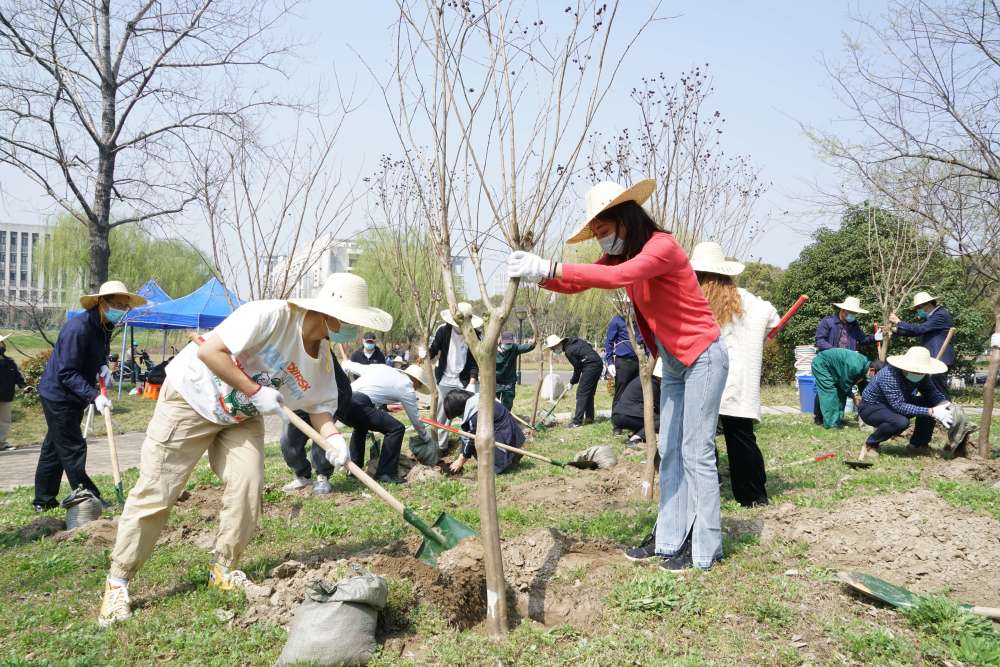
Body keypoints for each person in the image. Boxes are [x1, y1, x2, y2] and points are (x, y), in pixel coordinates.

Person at [98, 273, 391, 627]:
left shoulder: (324, 358)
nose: (356, 333)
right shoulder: (270, 315)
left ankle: (223, 567)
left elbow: (320, 409)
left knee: (248, 484)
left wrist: (335, 440)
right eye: (353, 322)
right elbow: (210, 351)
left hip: (240, 416)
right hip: (193, 397)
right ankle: (118, 582)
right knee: (159, 490)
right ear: (330, 313)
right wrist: (254, 390)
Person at [507, 178, 728, 571]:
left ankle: (705, 547)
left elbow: (613, 279)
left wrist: (548, 265)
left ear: (625, 219)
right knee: (669, 451)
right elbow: (580, 281)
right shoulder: (620, 255)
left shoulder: (661, 247)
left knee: (697, 452)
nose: (601, 243)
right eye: (596, 235)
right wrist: (538, 276)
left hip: (703, 357)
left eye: (604, 232)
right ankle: (669, 537)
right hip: (674, 363)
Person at [33, 281, 146, 512]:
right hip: (59, 394)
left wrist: (101, 366)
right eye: (117, 305)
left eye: (125, 307)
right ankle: (89, 498)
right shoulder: (78, 328)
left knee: (55, 446)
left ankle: (43, 500)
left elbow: (94, 354)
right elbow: (67, 372)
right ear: (101, 302)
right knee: (73, 447)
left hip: (73, 394)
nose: (121, 310)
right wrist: (94, 395)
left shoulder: (104, 326)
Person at [689, 242, 779, 507]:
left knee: (701, 435)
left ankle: (707, 487)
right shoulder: (749, 299)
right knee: (741, 436)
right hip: (741, 380)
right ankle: (753, 496)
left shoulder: (696, 300)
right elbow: (774, 319)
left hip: (709, 374)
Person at [341, 360, 435, 483]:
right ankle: (385, 473)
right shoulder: (407, 386)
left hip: (342, 401)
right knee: (396, 428)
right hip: (359, 404)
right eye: (418, 386)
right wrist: (426, 439)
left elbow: (346, 365)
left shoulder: (381, 368)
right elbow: (416, 420)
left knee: (361, 426)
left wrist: (345, 375)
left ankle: (354, 471)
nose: (416, 389)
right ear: (415, 380)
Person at [279, 345, 353, 495]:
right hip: (300, 397)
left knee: (322, 440)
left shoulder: (318, 348)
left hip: (328, 396)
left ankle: (322, 476)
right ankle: (302, 476)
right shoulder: (281, 346)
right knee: (288, 440)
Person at [858, 346, 952, 458]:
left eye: (920, 372)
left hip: (900, 401)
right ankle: (871, 444)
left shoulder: (923, 376)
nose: (917, 374)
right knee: (901, 422)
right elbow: (899, 406)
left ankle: (918, 445)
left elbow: (932, 393)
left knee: (930, 403)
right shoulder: (889, 375)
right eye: (914, 371)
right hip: (872, 407)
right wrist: (931, 411)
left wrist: (944, 405)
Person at [812, 296, 882, 424]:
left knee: (841, 390)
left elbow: (863, 339)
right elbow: (820, 341)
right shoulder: (828, 322)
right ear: (843, 310)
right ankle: (819, 417)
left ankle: (837, 417)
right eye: (851, 312)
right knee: (827, 389)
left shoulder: (853, 325)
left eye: (855, 313)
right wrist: (837, 352)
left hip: (847, 364)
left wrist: (875, 337)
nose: (853, 315)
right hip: (830, 363)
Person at [427, 302, 481, 449]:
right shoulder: (443, 331)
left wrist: (472, 381)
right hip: (445, 379)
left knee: (469, 413)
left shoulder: (474, 335)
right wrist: (425, 355)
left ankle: (468, 447)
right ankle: (440, 446)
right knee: (442, 414)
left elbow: (476, 361)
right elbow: (434, 349)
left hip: (463, 381)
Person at [890, 291, 955, 401]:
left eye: (918, 308)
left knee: (938, 390)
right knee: (931, 389)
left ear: (928, 305)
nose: (918, 311)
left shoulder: (940, 315)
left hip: (940, 357)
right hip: (934, 357)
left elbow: (919, 329)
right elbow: (916, 332)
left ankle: (945, 413)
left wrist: (898, 322)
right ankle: (933, 414)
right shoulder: (933, 317)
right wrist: (895, 330)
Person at [443, 388, 525, 475]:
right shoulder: (476, 401)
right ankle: (511, 456)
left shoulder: (476, 416)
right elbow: (468, 435)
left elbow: (472, 440)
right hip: (511, 432)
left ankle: (502, 462)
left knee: (478, 444)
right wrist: (461, 455)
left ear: (458, 409)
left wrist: (460, 461)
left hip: (504, 435)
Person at [811, 349, 884, 429]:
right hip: (822, 364)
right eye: (876, 377)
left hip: (834, 368)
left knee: (840, 393)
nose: (875, 380)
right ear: (872, 370)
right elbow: (845, 385)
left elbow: (864, 389)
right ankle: (830, 424)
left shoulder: (864, 367)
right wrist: (854, 397)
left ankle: (836, 419)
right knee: (829, 392)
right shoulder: (855, 367)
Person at [544, 334, 602, 427]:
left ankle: (577, 422)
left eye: (553, 349)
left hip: (591, 366)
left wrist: (572, 382)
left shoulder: (569, 351)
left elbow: (577, 368)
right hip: (598, 363)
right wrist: (573, 381)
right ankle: (589, 418)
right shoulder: (574, 341)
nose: (553, 351)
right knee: (589, 392)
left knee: (581, 393)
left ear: (557, 345)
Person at [604, 312, 644, 429]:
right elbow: (609, 342)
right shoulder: (617, 320)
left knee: (636, 394)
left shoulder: (640, 320)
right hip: (623, 361)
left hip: (638, 361)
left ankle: (632, 422)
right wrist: (610, 361)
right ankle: (617, 424)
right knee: (620, 392)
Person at [610, 358, 662, 444]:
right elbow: (659, 406)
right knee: (662, 420)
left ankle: (637, 434)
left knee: (653, 416)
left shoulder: (641, 379)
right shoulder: (652, 383)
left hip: (618, 414)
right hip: (627, 415)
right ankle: (636, 438)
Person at [495, 331, 535, 409]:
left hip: (509, 383)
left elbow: (530, 346)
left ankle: (506, 419)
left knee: (507, 406)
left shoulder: (514, 348)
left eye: (510, 343)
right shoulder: (493, 350)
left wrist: (534, 339)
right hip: (495, 382)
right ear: (501, 341)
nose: (508, 345)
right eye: (506, 343)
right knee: (494, 405)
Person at [0, 334, 25, 451]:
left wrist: (24, 387)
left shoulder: (9, 363)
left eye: (2, 343)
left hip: (6, 397)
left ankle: (1, 443)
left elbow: (18, 378)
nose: (2, 345)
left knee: (5, 421)